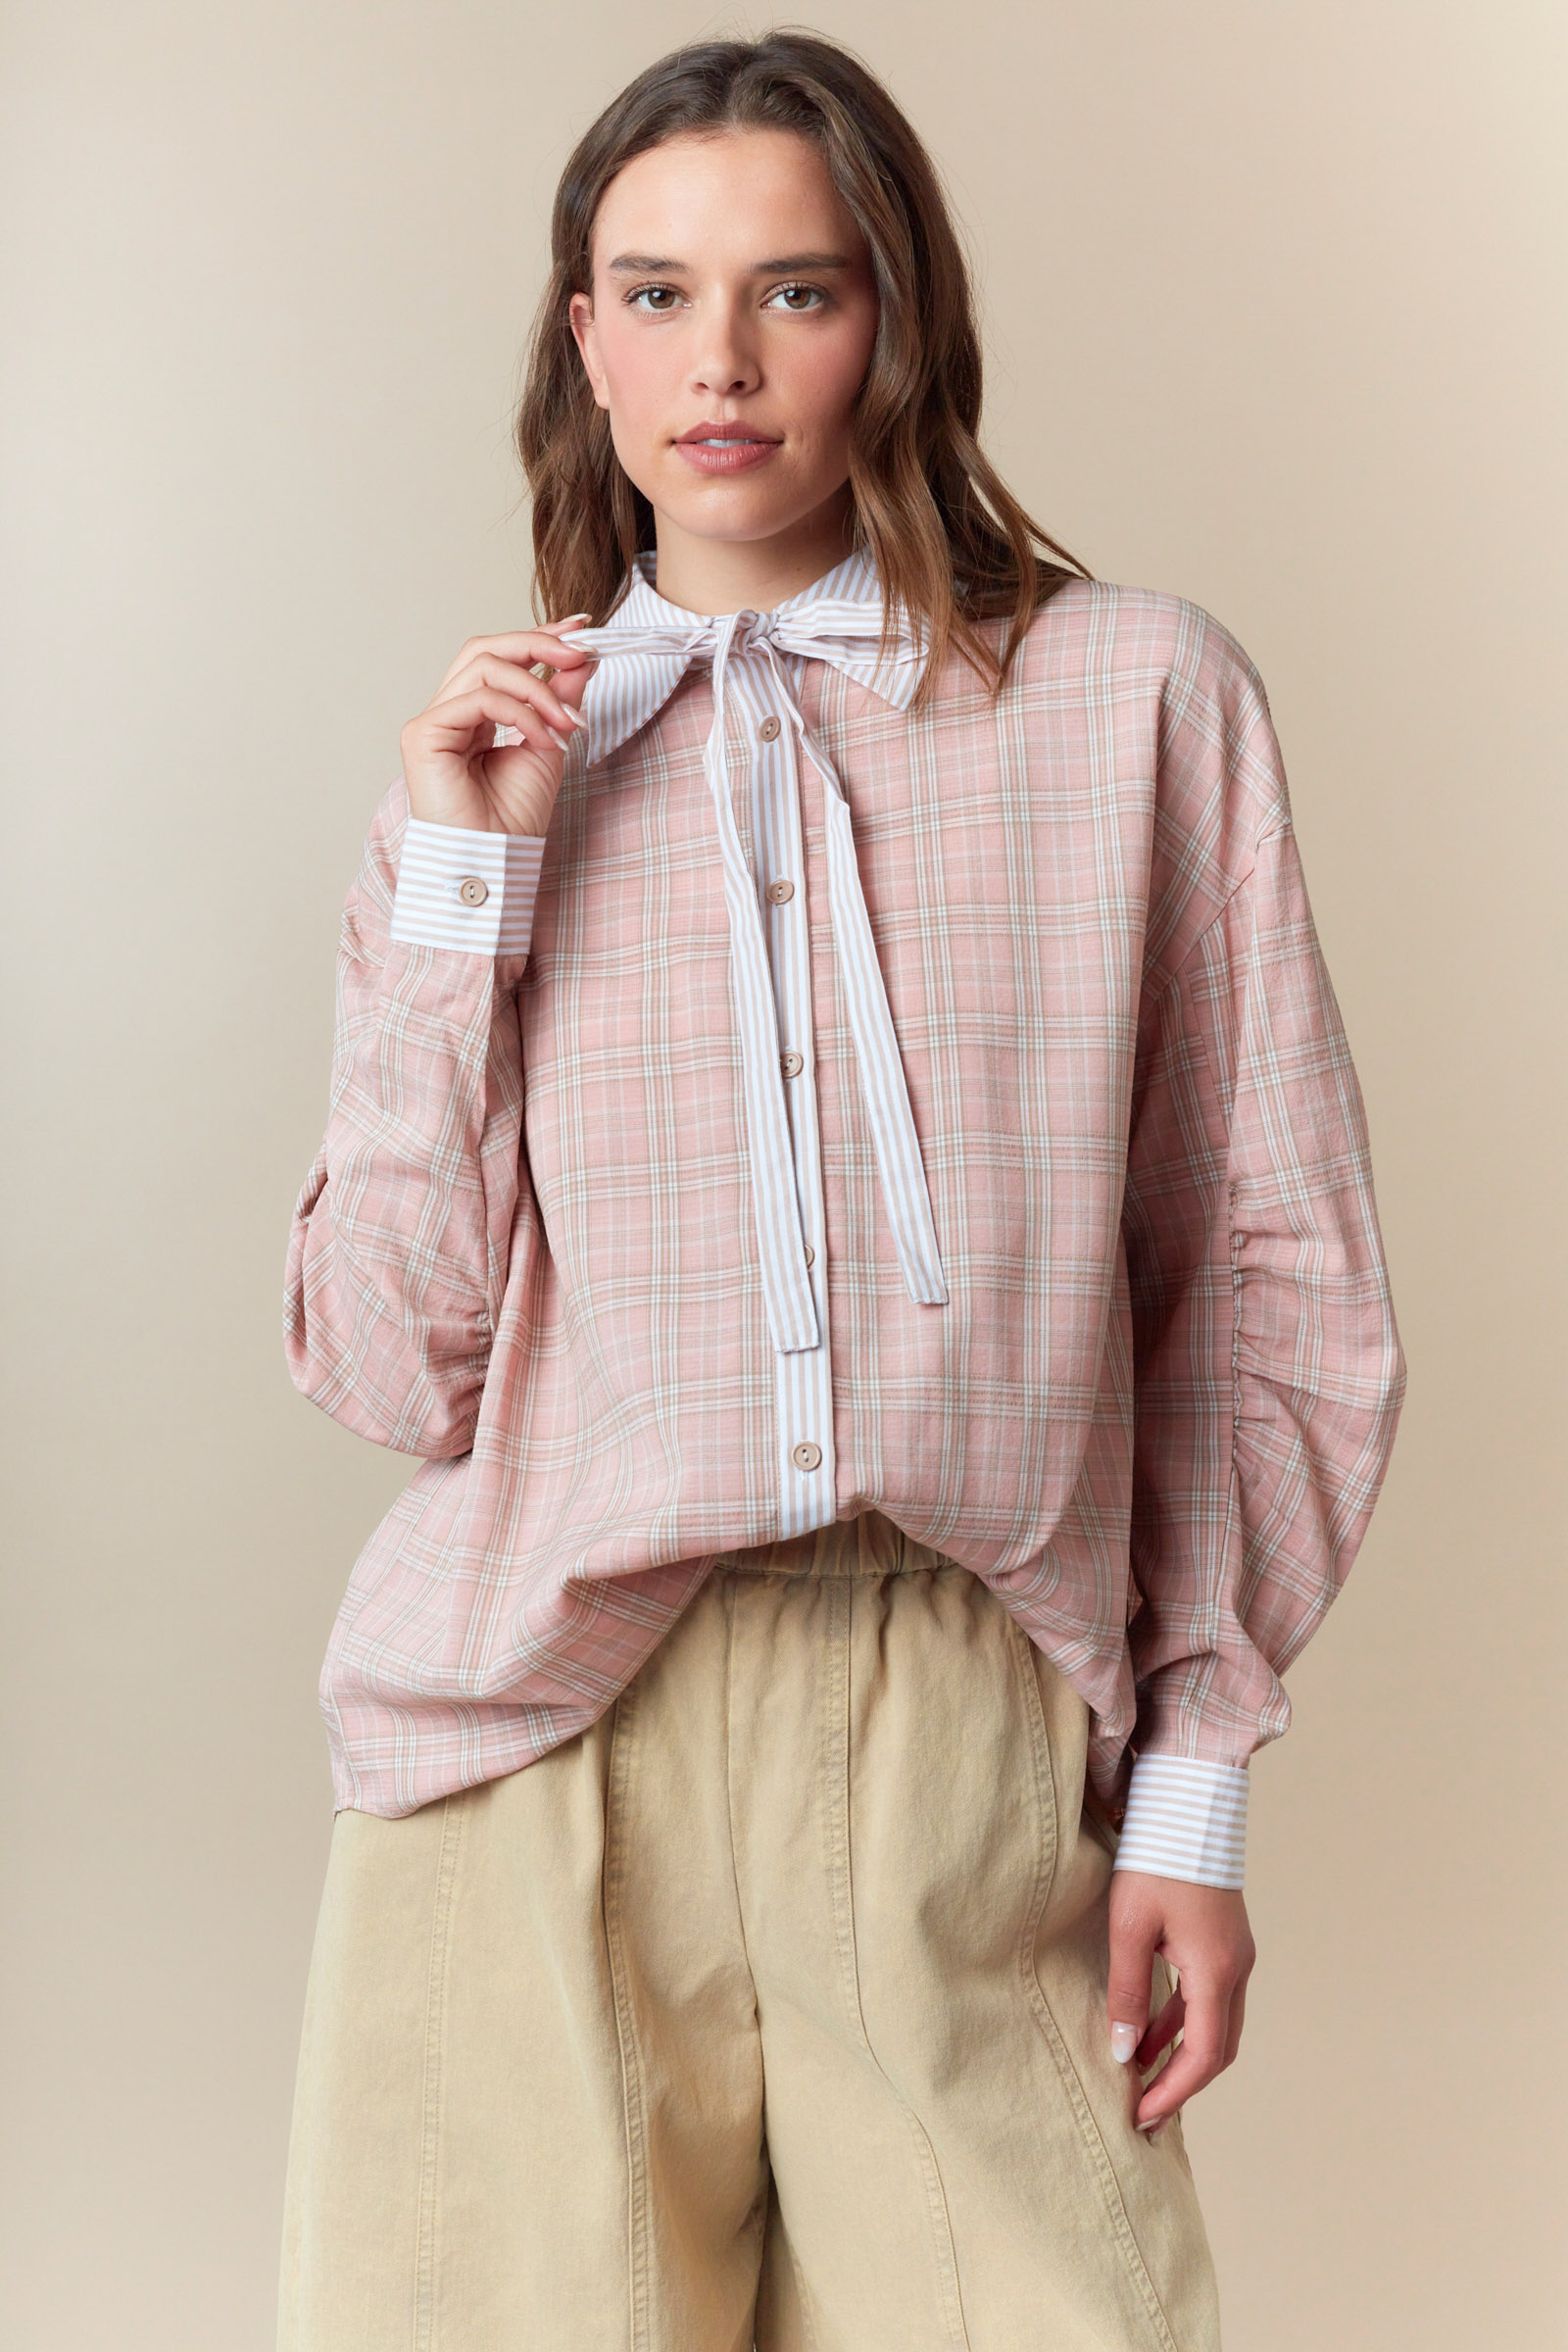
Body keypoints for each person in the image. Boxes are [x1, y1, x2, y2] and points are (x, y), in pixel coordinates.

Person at [275, 29, 1405, 2352]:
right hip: (540, 1748)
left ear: (894, 320)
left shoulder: (1133, 701)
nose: (720, 361)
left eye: (793, 291)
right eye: (655, 293)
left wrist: (1187, 1796)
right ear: (583, 341)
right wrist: (468, 896)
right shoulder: (481, 787)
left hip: (973, 1728)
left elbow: (1263, 1277)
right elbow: (393, 1368)